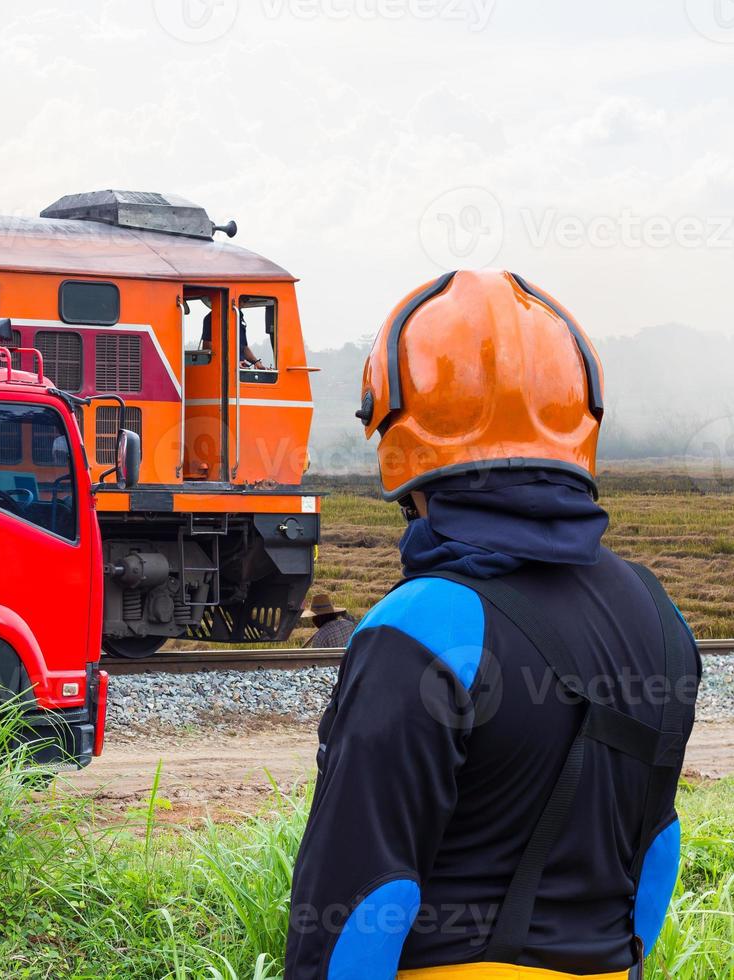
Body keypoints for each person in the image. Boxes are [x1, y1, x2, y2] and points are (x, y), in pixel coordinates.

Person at [286, 270, 700, 979]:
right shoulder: (661, 616)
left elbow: (359, 902)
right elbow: (657, 853)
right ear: (583, 418)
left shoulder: (422, 626)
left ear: (393, 428)